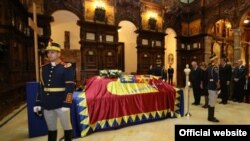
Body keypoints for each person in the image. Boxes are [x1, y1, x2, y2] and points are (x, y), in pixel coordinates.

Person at [33, 41, 75, 141]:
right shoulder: (44, 68)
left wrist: (67, 103)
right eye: (48, 52)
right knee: (51, 129)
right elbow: (42, 87)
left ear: (59, 53)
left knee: (67, 127)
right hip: (47, 103)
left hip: (61, 103)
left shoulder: (66, 67)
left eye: (52, 52)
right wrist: (38, 102)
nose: (49, 54)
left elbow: (70, 86)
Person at [207, 53, 220, 122]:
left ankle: (210, 116)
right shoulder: (215, 67)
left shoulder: (209, 67)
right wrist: (218, 85)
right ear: (213, 60)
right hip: (213, 86)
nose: (217, 60)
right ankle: (211, 117)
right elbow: (216, 78)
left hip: (209, 85)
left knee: (210, 102)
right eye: (216, 59)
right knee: (212, 102)